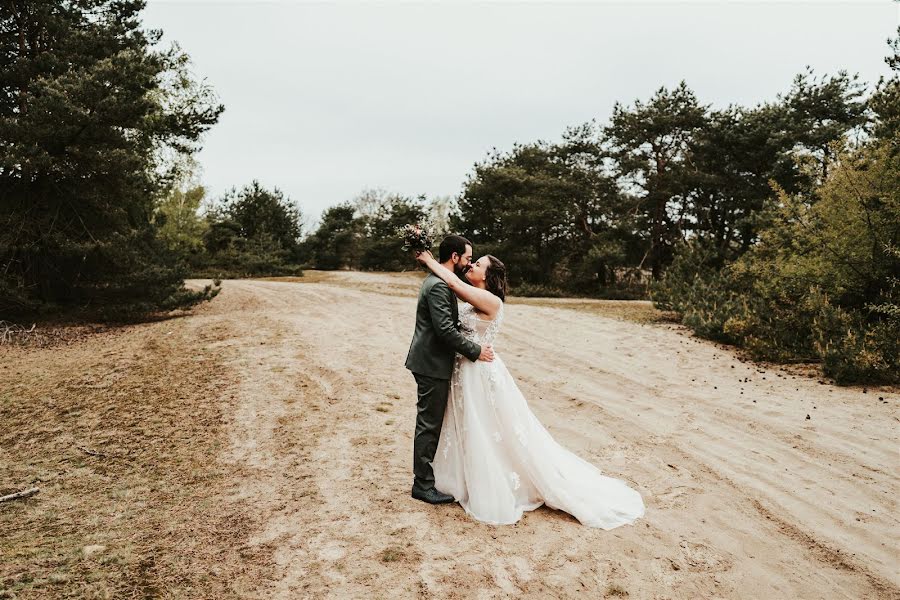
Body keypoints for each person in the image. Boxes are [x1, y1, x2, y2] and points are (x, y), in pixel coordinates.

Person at [413, 249, 645, 529]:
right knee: (471, 425)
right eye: (472, 261)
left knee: (488, 427)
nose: (471, 265)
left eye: (478, 264)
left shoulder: (490, 299)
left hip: (480, 371)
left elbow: (453, 284)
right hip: (467, 369)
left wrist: (428, 261)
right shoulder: (476, 295)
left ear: (489, 276)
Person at [404, 235, 495, 504]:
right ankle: (422, 485)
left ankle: (428, 479)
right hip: (431, 363)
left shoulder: (442, 282)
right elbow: (444, 330)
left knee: (432, 423)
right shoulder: (438, 287)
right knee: (429, 425)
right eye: (467, 258)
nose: (469, 264)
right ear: (454, 257)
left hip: (433, 362)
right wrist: (476, 351)